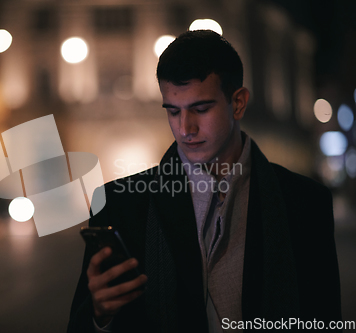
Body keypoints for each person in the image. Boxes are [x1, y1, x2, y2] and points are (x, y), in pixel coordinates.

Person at [67, 30, 341, 333]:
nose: (186, 128)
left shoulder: (305, 202)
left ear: (238, 103)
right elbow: (79, 325)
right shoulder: (120, 202)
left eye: (200, 109)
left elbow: (324, 319)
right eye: (173, 111)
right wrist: (99, 315)